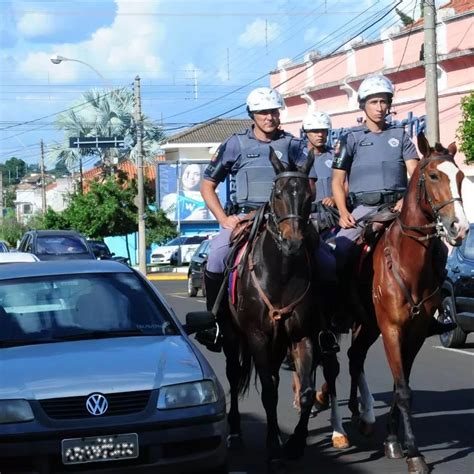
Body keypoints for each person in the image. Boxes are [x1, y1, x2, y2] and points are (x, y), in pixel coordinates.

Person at [331, 73, 455, 334]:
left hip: (398, 208)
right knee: (338, 253)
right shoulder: (350, 139)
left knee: (439, 251)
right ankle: (339, 311)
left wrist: (403, 201)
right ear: (363, 105)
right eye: (374, 102)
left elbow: (414, 173)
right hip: (364, 210)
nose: (380, 107)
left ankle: (436, 309)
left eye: (384, 101)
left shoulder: (401, 136)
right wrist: (343, 212)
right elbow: (337, 181)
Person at [196, 86, 310, 352]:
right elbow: (207, 185)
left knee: (326, 259)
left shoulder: (293, 145)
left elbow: (309, 182)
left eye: (273, 111)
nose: (269, 117)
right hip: (245, 218)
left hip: (283, 221)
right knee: (216, 258)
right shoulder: (235, 144)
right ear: (252, 115)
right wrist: (224, 219)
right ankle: (214, 324)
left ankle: (322, 325)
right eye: (262, 112)